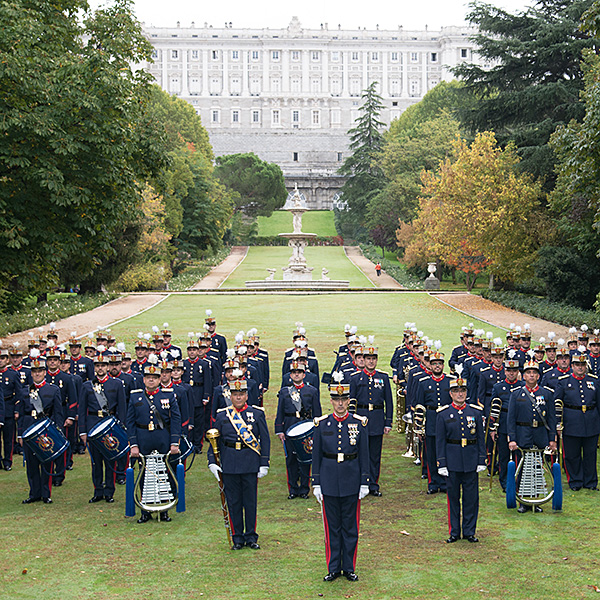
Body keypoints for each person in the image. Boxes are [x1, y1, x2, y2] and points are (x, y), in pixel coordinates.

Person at [312, 372, 370, 582]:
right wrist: (316, 482)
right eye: (336, 400)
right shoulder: (321, 424)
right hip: (328, 479)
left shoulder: (359, 422)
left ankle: (349, 567)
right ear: (331, 401)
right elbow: (316, 455)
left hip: (351, 479)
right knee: (332, 528)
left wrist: (365, 481)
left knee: (350, 527)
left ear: (348, 400)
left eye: (343, 400)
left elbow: (365, 454)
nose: (340, 404)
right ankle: (333, 568)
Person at [208, 379, 270, 550]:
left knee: (250, 502)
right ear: (230, 395)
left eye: (241, 394)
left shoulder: (256, 414)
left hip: (250, 462)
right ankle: (237, 538)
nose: (238, 397)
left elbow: (265, 439)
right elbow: (214, 441)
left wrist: (264, 463)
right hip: (229, 462)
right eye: (235, 394)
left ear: (246, 395)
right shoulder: (222, 415)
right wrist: (212, 462)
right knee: (233, 501)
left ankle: (251, 536)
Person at [127, 360, 181, 523]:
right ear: (143, 379)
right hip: (143, 438)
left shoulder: (168, 395)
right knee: (145, 474)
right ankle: (145, 509)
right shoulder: (135, 396)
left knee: (164, 473)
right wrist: (134, 444)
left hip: (162, 437)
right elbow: (130, 421)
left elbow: (176, 420)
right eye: (148, 377)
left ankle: (165, 509)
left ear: (160, 379)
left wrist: (174, 442)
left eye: (155, 377)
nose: (151, 380)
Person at [436, 376, 486, 543]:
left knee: (471, 499)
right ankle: (454, 532)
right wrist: (441, 462)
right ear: (450, 394)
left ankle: (470, 531)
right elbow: (440, 441)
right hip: (452, 460)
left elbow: (480, 438)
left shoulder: (475, 412)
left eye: (462, 391)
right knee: (453, 499)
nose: (459, 394)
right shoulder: (443, 414)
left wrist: (481, 459)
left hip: (471, 459)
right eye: (456, 391)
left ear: (467, 392)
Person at [507, 359, 557, 512]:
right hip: (523, 435)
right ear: (523, 376)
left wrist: (552, 439)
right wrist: (512, 438)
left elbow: (552, 418)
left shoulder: (546, 393)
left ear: (538, 376)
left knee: (537, 468)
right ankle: (523, 501)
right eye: (528, 373)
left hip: (540, 434)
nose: (531, 376)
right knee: (522, 469)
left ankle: (535, 500)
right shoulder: (516, 394)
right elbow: (511, 418)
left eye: (534, 373)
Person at [78, 349, 127, 503]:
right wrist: (82, 431)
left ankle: (109, 492)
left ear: (107, 367)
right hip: (93, 423)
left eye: (103, 365)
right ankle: (98, 491)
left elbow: (122, 408)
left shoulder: (116, 384)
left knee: (110, 459)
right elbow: (81, 409)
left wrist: (122, 427)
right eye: (97, 365)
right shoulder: (87, 386)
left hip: (110, 424)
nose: (100, 368)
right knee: (95, 461)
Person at [18, 354, 63, 504]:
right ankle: (34, 493)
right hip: (29, 429)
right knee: (31, 464)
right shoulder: (25, 391)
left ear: (45, 372)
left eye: (40, 371)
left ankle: (46, 493)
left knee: (46, 462)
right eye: (34, 371)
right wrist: (20, 434)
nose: (37, 373)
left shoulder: (53, 389)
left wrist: (57, 432)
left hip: (45, 429)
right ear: (31, 373)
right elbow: (21, 413)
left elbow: (58, 413)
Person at [349, 341, 392, 496]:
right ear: (363, 360)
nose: (371, 361)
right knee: (359, 454)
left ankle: (373, 485)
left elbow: (389, 402)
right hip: (360, 420)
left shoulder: (383, 377)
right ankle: (360, 483)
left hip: (377, 420)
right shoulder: (355, 378)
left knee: (374, 455)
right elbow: (351, 402)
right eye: (368, 358)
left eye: (374, 358)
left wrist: (388, 422)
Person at [553, 351, 600, 491]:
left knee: (590, 454)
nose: (580, 368)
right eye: (577, 365)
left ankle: (590, 482)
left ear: (586, 366)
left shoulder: (594, 381)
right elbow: (557, 402)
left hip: (591, 421)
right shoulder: (563, 381)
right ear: (572, 366)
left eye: (582, 365)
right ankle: (575, 481)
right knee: (572, 455)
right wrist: (558, 423)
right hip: (571, 421)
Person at [274, 360, 321, 499]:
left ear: (304, 374)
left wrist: (317, 429)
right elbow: (280, 412)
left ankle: (304, 489)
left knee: (305, 459)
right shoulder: (284, 392)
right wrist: (279, 430)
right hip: (289, 425)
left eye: (299, 372)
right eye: (294, 373)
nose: (296, 375)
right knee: (291, 459)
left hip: (305, 426)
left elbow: (317, 412)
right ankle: (293, 489)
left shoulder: (311, 391)